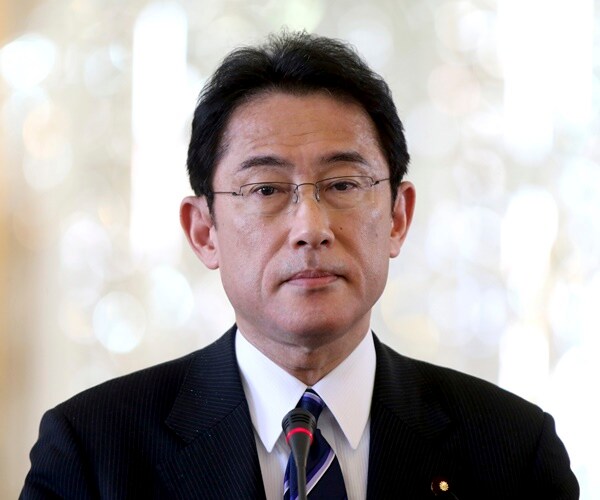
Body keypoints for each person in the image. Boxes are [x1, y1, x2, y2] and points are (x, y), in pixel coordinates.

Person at [21, 31, 578, 500]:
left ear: (397, 217)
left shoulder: (513, 449)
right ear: (204, 231)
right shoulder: (92, 451)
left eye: (343, 185)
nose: (311, 227)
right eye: (265, 188)